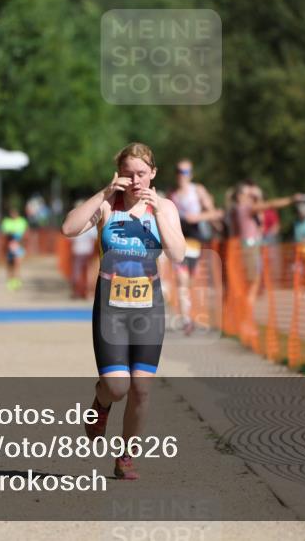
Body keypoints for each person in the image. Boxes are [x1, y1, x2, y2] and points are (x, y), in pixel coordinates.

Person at [61, 142, 185, 480]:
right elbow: (68, 229)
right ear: (118, 174)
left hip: (149, 308)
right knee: (118, 387)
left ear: (153, 174)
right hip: (111, 307)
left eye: (142, 174)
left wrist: (158, 211)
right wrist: (102, 193)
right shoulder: (106, 206)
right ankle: (101, 402)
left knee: (142, 388)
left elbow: (177, 254)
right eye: (128, 174)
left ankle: (126, 456)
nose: (135, 181)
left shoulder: (165, 208)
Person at [169, 159, 223, 335]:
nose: (181, 175)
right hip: (178, 241)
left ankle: (190, 315)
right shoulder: (173, 195)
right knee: (181, 279)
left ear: (191, 174)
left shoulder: (198, 190)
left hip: (194, 240)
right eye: (178, 171)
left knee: (189, 280)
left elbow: (214, 213)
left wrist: (198, 218)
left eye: (185, 172)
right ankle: (186, 319)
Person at [229, 181, 300, 310]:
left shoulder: (238, 209)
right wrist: (291, 200)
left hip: (248, 246)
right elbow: (270, 204)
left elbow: (260, 220)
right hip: (249, 247)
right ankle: (245, 315)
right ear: (240, 196)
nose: (250, 196)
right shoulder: (245, 208)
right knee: (251, 283)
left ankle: (243, 313)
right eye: (247, 194)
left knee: (252, 282)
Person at [69, 200, 99, 299]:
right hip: (88, 250)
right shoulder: (90, 221)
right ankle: (88, 292)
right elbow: (93, 238)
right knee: (89, 272)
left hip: (77, 250)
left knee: (76, 271)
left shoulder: (74, 221)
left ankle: (76, 292)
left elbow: (69, 237)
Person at [1, 206, 29, 290]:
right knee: (10, 265)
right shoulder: (6, 222)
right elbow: (4, 235)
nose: (13, 214)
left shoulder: (22, 221)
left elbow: (26, 234)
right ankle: (10, 281)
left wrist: (21, 241)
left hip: (19, 247)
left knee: (17, 264)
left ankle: (16, 281)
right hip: (9, 247)